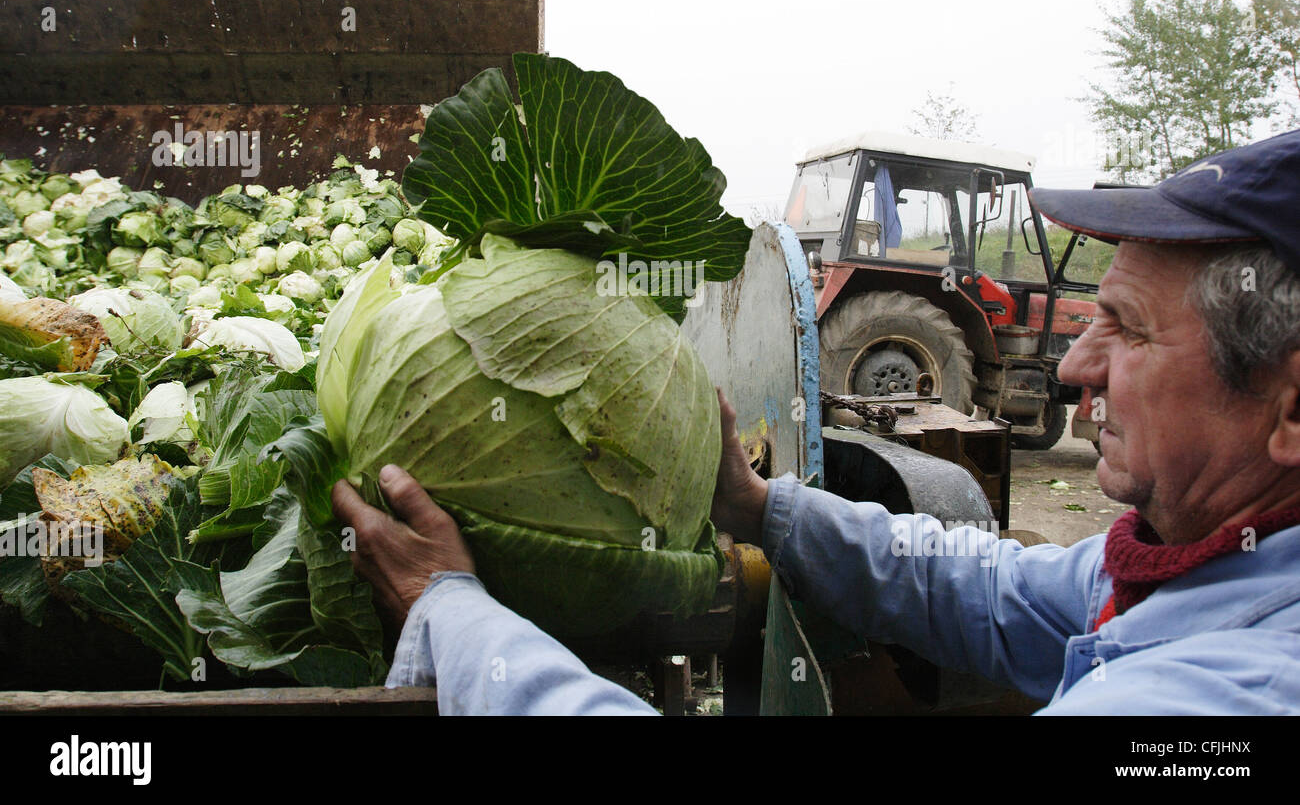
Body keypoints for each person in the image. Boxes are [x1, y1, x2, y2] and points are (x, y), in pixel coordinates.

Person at [333, 129, 1300, 715]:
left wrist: (456, 619)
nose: (1079, 365)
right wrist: (755, 506)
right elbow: (992, 589)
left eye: (1127, 331)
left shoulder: (1225, 700)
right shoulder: (1203, 569)